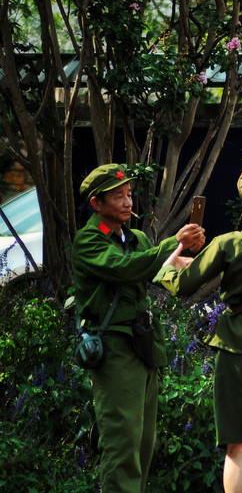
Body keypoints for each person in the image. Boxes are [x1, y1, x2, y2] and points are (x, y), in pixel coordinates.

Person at [157, 160, 242, 493]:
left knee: (239, 449)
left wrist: (168, 267)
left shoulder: (229, 242)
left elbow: (182, 285)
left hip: (236, 348)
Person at [72, 163, 205, 492]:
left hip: (143, 346)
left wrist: (203, 256)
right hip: (114, 349)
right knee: (122, 441)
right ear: (96, 203)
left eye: (129, 194)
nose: (128, 202)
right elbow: (125, 268)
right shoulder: (89, 240)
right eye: (118, 196)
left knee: (144, 441)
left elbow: (164, 268)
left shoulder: (137, 238)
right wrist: (174, 243)